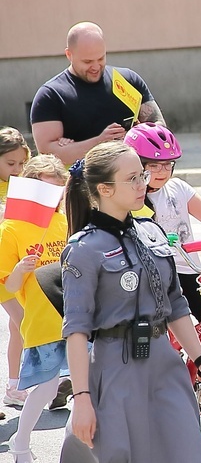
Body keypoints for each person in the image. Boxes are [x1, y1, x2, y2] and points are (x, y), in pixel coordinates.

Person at [61, 141, 201, 461]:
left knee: (188, 453)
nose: (144, 184)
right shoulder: (83, 249)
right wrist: (82, 398)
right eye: (133, 178)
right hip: (114, 370)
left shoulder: (152, 232)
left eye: (142, 175)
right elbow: (76, 330)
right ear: (104, 189)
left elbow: (176, 305)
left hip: (165, 365)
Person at [124, 122, 201, 327]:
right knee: (166, 333)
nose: (163, 171)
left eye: (168, 164)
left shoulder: (178, 188)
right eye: (154, 165)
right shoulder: (131, 198)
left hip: (188, 270)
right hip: (154, 278)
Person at [0, 154, 69, 462]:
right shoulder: (10, 229)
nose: (51, 199)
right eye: (44, 191)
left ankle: (76, 445)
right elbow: (11, 287)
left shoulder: (65, 220)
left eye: (57, 191)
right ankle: (21, 441)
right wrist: (20, 269)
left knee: (90, 383)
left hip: (75, 313)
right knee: (46, 388)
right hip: (41, 320)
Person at [30, 21, 165, 165]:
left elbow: (159, 128)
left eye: (101, 58)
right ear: (69, 55)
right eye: (87, 61)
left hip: (134, 180)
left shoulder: (128, 81)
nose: (95, 67)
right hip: (82, 184)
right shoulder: (51, 95)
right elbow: (48, 156)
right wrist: (100, 143)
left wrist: (134, 137)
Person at [0, 127, 31, 409]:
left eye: (22, 163)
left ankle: (14, 386)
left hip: (12, 264)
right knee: (23, 320)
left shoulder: (24, 186)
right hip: (3, 267)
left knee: (19, 322)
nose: (18, 169)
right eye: (11, 164)